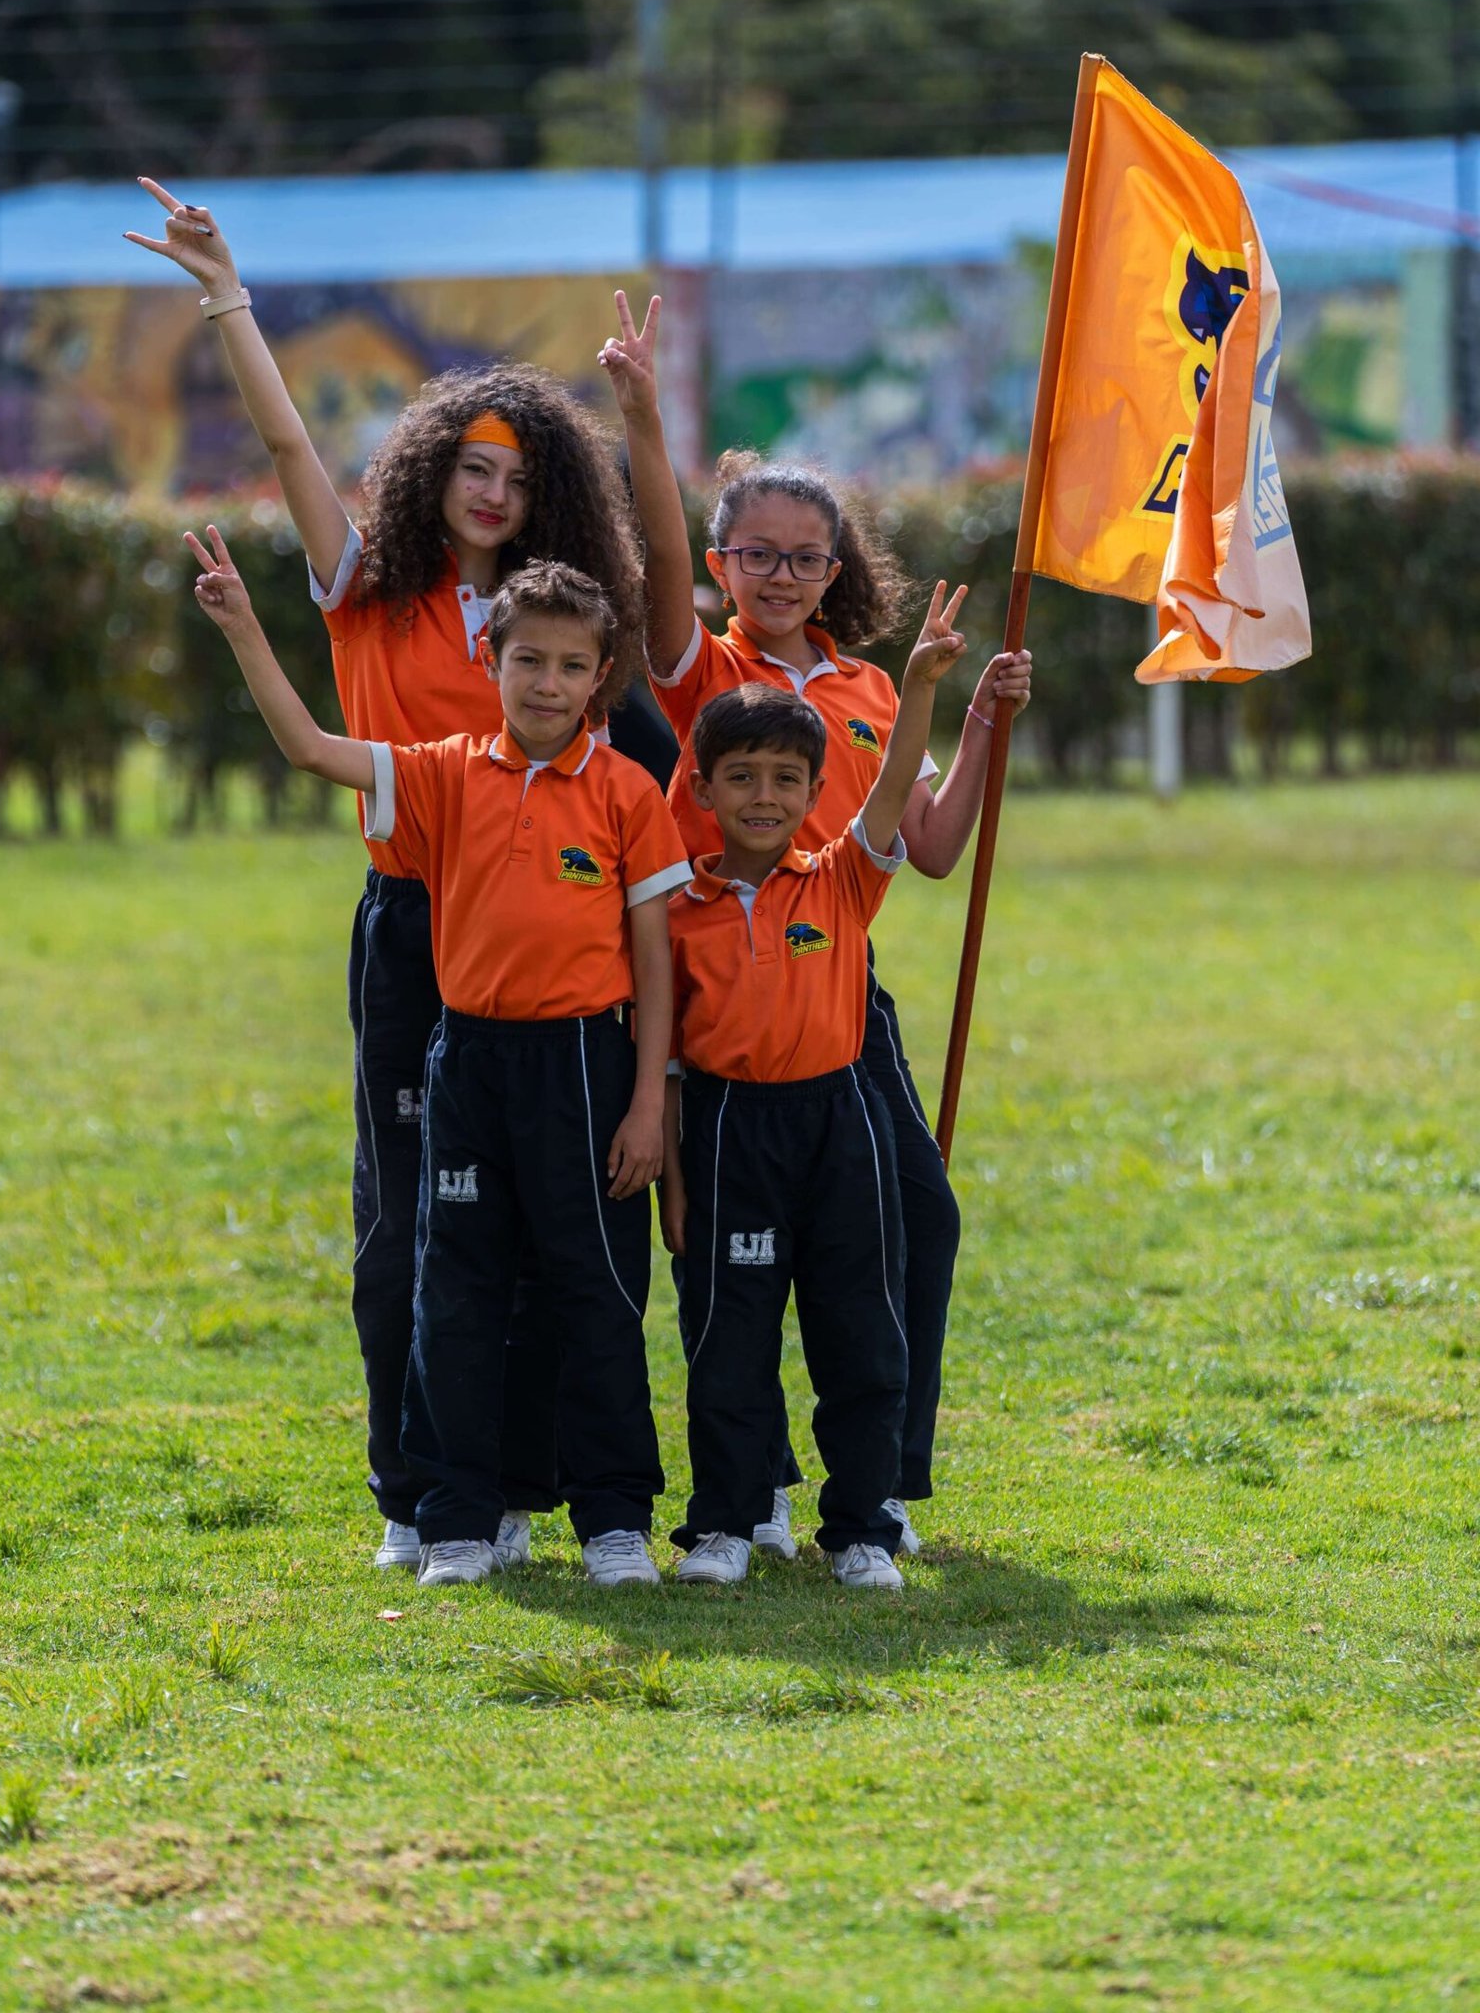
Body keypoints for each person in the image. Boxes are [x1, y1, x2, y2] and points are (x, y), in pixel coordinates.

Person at [126, 180, 645, 1573]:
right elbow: (288, 435)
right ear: (431, 468)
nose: (496, 488)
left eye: (522, 474)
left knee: (546, 1225)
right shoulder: (363, 583)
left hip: (544, 936)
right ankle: (414, 1495)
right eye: (475, 463)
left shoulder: (556, 625)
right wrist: (227, 296)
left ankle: (519, 1490)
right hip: (414, 926)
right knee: (401, 1215)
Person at [601, 292, 1032, 1558]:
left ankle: (878, 1486)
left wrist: (987, 724)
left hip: (840, 980)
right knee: (725, 1256)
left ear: (837, 572)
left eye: (805, 558)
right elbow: (663, 568)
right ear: (726, 564)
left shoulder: (866, 689)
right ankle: (753, 1488)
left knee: (915, 1219)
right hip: (715, 985)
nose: (780, 576)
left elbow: (936, 845)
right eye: (758, 555)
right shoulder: (701, 671)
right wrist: (640, 414)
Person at [183, 532, 690, 1586]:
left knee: (594, 1287)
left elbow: (655, 963)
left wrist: (648, 1103)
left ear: (601, 677)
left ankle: (612, 1520)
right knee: (452, 1289)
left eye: (568, 665)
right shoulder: (445, 774)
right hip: (466, 1064)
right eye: (526, 660)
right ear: (491, 663)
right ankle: (454, 1517)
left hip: (585, 1067)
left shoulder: (627, 795)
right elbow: (315, 748)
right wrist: (241, 626)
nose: (545, 681)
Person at [664, 580, 971, 1588]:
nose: (764, 796)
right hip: (724, 1129)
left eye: (787, 779)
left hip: (836, 1123)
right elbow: (663, 1045)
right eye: (741, 777)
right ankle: (725, 1521)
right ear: (702, 792)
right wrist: (670, 1165)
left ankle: (864, 1529)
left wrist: (921, 685)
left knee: (858, 1332)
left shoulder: (840, 875)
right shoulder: (679, 907)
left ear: (811, 790)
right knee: (728, 1337)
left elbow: (889, 798)